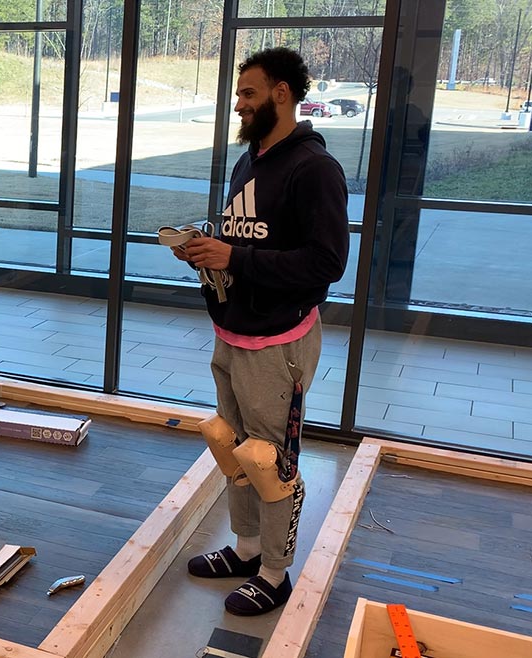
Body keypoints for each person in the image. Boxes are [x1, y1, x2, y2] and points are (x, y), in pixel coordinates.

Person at [171, 47, 349, 617]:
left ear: (281, 93)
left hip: (280, 343)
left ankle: (275, 572)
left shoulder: (315, 170)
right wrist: (207, 253)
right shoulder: (248, 162)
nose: (239, 105)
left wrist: (236, 257)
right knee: (232, 445)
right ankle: (246, 550)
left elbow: (325, 265)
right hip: (233, 331)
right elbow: (244, 241)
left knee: (271, 460)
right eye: (239, 95)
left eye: (248, 94)